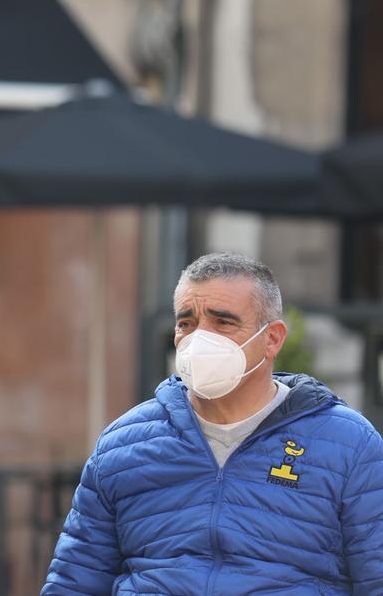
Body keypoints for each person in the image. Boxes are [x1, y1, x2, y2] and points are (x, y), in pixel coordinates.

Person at [43, 252, 383, 594]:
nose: (199, 340)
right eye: (186, 323)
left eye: (223, 322)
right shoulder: (123, 445)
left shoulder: (347, 444)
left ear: (273, 338)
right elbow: (75, 580)